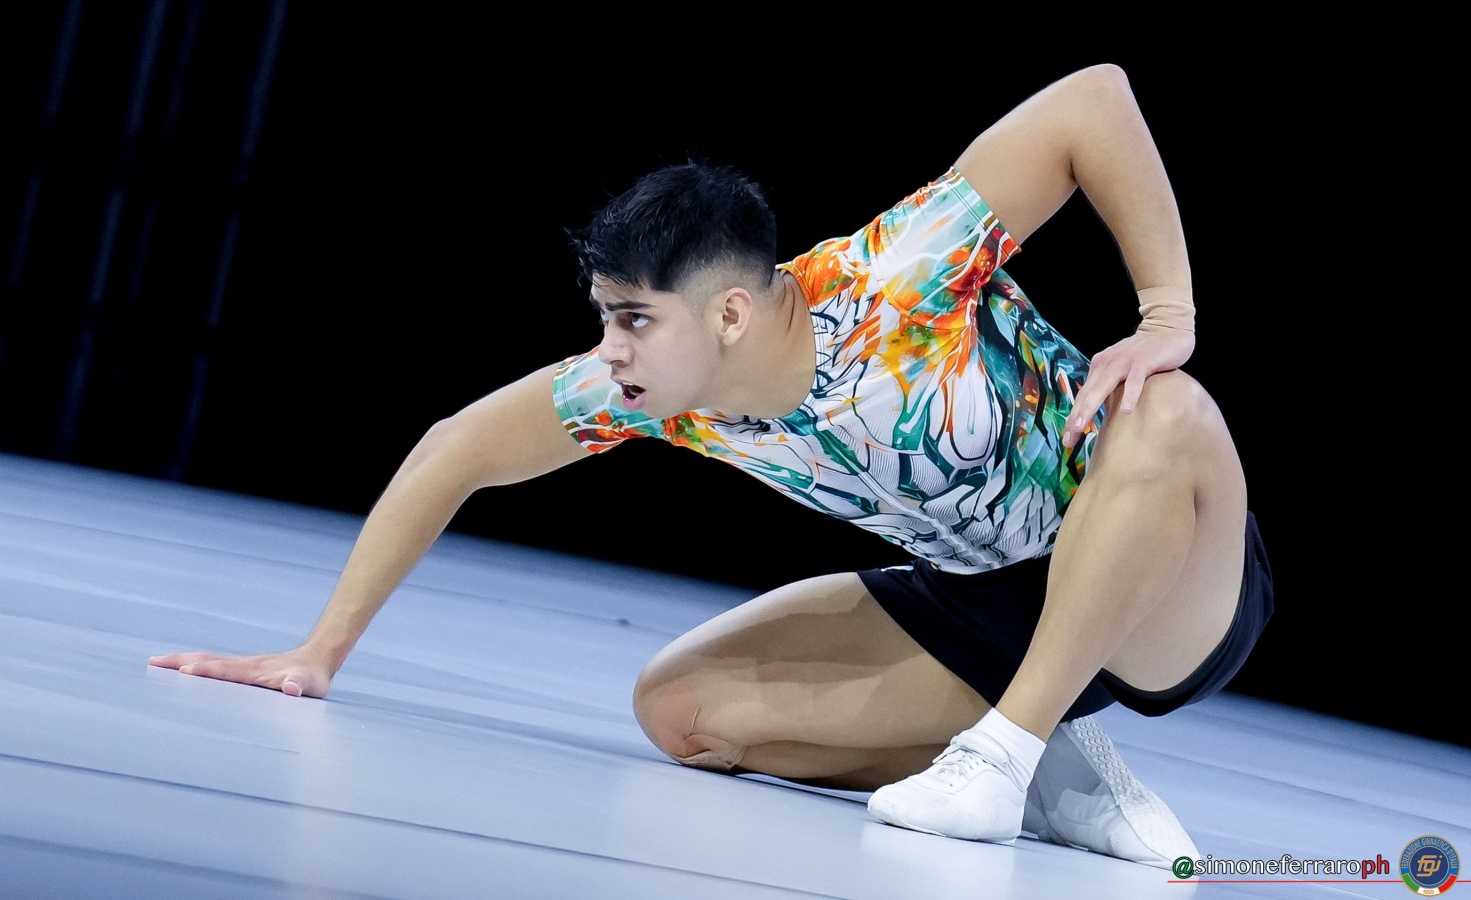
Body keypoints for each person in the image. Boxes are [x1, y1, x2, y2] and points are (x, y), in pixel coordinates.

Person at [150, 63, 1273, 869]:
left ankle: (1004, 752)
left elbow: (1093, 99)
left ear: (729, 313)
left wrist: (1165, 316)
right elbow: (456, 450)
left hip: (1160, 585)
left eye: (633, 320)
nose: (610, 352)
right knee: (683, 712)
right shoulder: (658, 394)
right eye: (606, 319)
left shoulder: (898, 279)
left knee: (1167, 411)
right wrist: (317, 654)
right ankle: (1041, 763)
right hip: (981, 603)